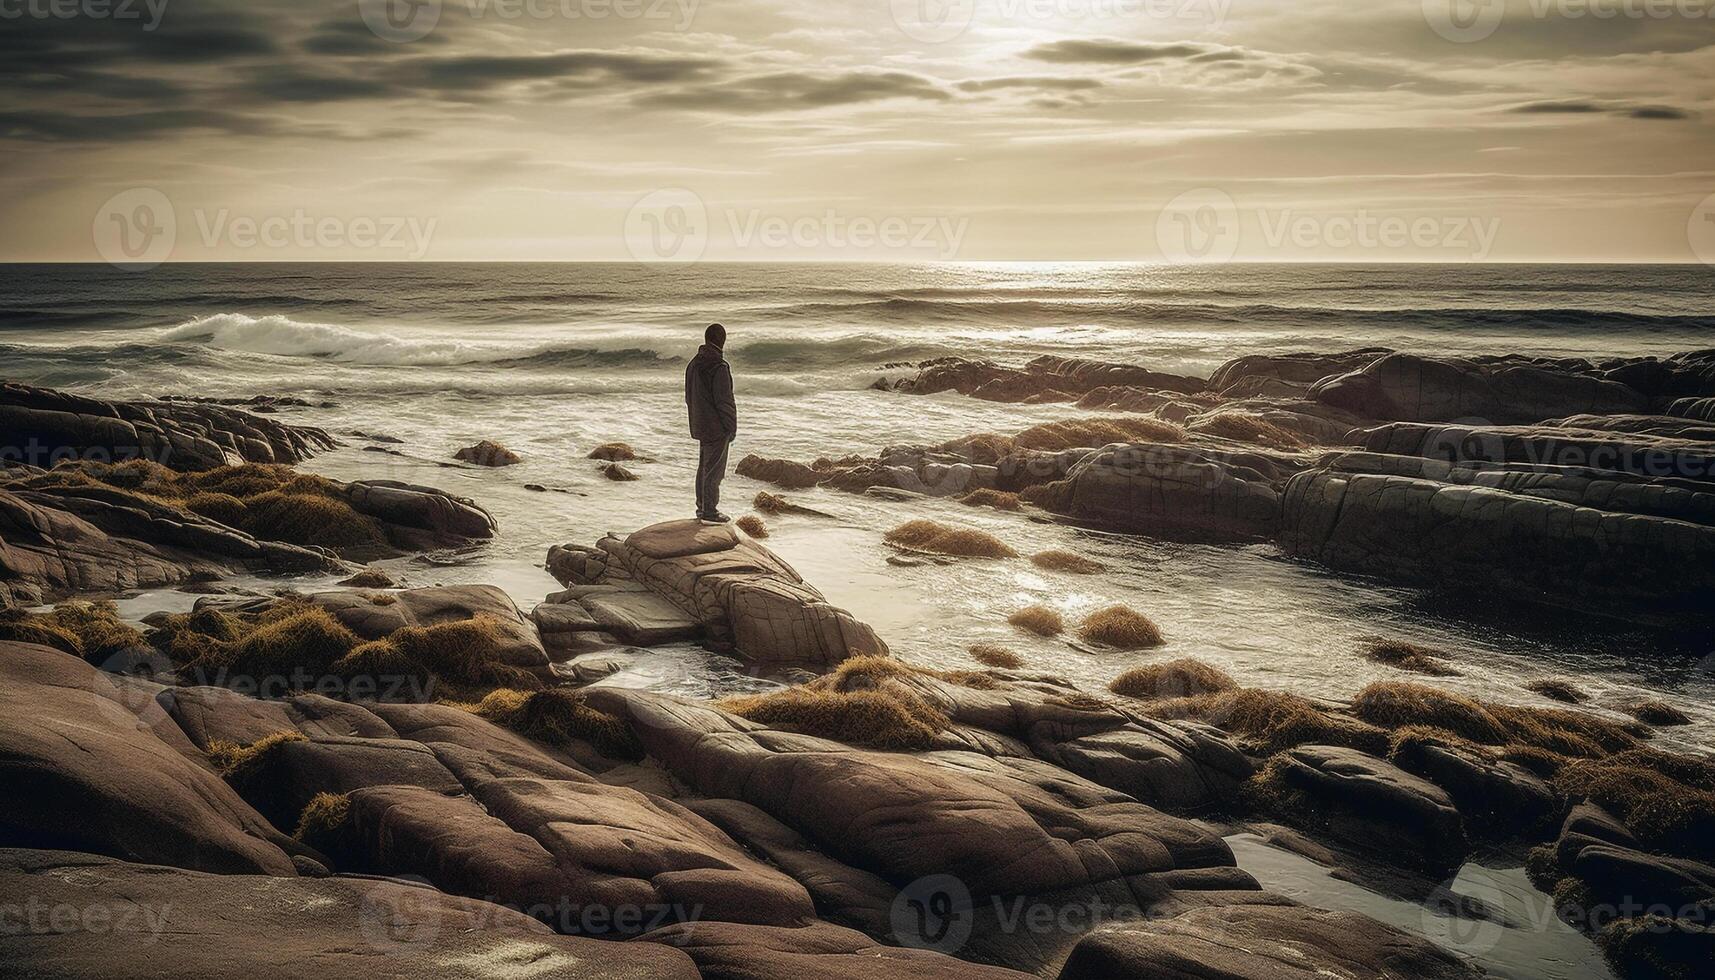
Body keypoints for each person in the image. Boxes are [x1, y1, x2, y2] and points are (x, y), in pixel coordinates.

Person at [685, 322, 737, 524]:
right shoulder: (718, 366)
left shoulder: (694, 363)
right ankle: (710, 512)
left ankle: (702, 508)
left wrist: (695, 418)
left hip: (699, 422)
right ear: (721, 340)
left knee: (703, 468)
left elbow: (688, 395)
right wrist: (731, 427)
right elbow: (724, 401)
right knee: (714, 470)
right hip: (717, 426)